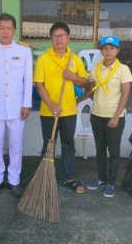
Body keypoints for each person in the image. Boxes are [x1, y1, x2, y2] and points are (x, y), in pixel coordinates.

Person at [0, 14, 33, 198]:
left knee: (16, 145)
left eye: (9, 28)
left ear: (15, 30)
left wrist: (27, 104)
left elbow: (28, 80)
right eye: (2, 28)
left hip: (17, 107)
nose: (5, 31)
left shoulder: (24, 50)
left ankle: (14, 181)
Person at [34, 22, 88, 194]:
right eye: (55, 36)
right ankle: (46, 178)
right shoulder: (43, 59)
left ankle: (69, 177)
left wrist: (72, 76)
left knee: (68, 144)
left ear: (68, 37)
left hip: (69, 110)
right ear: (51, 38)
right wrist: (51, 105)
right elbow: (39, 85)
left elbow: (85, 82)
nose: (58, 39)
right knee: (48, 145)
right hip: (48, 111)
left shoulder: (75, 58)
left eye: (62, 35)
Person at [78, 36, 132, 198]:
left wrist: (116, 116)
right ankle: (102, 178)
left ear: (118, 50)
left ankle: (111, 183)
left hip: (114, 117)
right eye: (105, 48)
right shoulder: (96, 68)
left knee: (114, 151)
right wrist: (76, 101)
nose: (108, 51)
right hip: (96, 115)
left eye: (112, 48)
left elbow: (126, 94)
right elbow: (90, 90)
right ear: (101, 50)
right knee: (100, 149)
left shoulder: (123, 69)